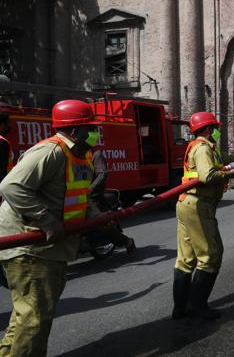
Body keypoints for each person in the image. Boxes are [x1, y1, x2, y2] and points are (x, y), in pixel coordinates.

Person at [0, 99, 101, 357]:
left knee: (28, 315)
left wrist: (102, 220)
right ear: (75, 130)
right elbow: (11, 186)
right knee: (33, 319)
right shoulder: (49, 152)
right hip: (30, 247)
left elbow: (79, 196)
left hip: (50, 248)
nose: (96, 133)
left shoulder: (80, 155)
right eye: (91, 127)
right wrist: (46, 220)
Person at [172, 111, 234, 320]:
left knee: (186, 259)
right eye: (216, 128)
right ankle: (197, 307)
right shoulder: (202, 150)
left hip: (187, 203)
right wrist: (230, 174)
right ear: (209, 130)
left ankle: (180, 310)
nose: (217, 132)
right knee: (211, 255)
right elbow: (208, 176)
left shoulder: (210, 149)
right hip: (199, 205)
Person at [86, 149, 136, 255]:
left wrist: (89, 191)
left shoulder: (96, 155)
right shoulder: (75, 156)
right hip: (76, 197)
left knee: (102, 223)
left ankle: (127, 242)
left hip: (92, 198)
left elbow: (102, 175)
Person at [0, 113, 14, 184]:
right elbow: (2, 168)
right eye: (8, 123)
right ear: (2, 125)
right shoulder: (3, 143)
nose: (9, 126)